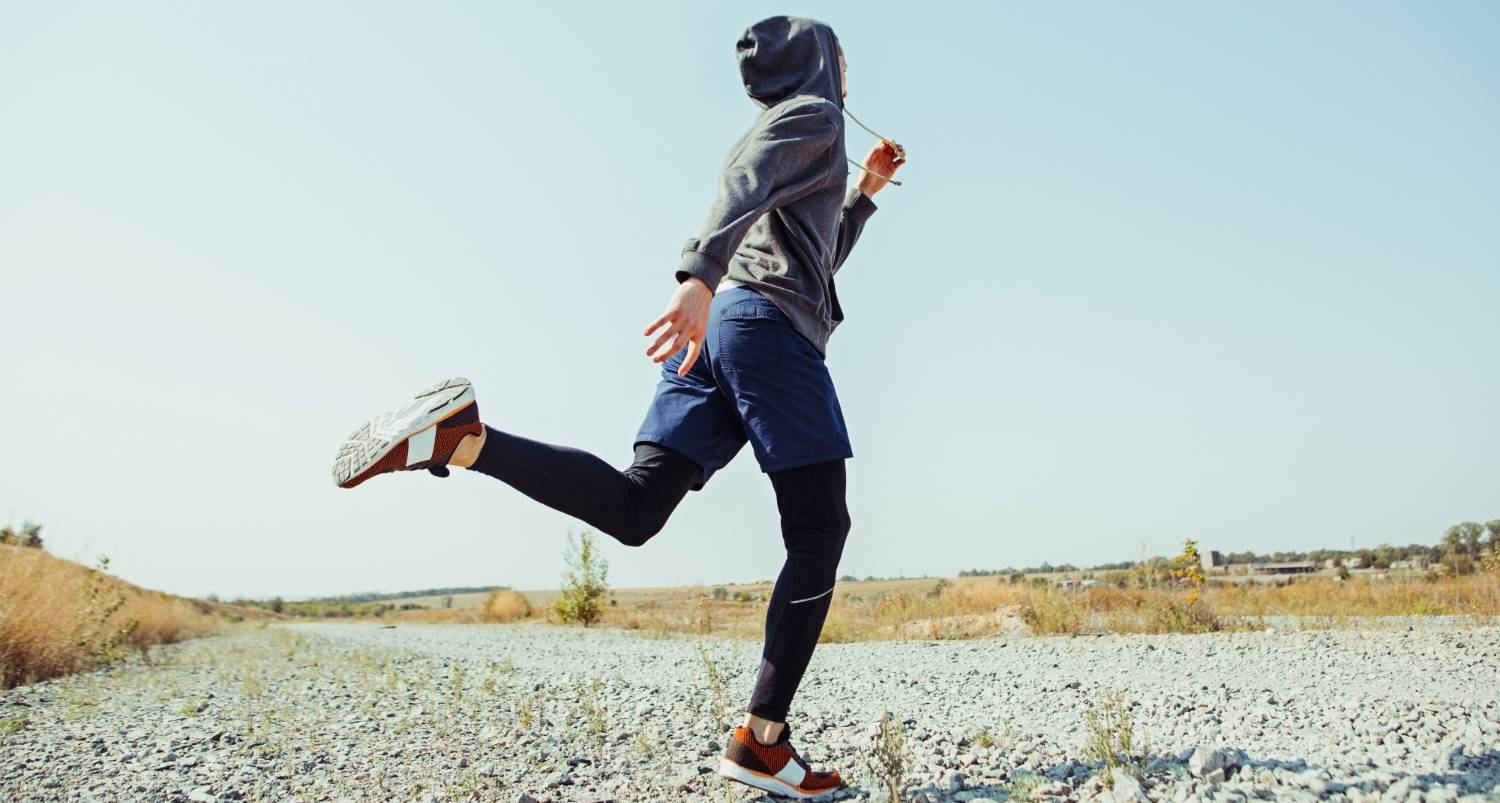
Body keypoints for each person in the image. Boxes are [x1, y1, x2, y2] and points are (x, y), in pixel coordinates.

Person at [330, 14, 904, 799]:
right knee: (820, 527)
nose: (849, 70)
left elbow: (813, 259)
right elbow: (744, 186)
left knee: (637, 508)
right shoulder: (815, 116)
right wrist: (695, 276)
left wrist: (863, 194)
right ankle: (763, 740)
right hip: (759, 328)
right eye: (842, 56)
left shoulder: (805, 133)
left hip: (723, 330)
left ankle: (461, 439)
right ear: (817, 62)